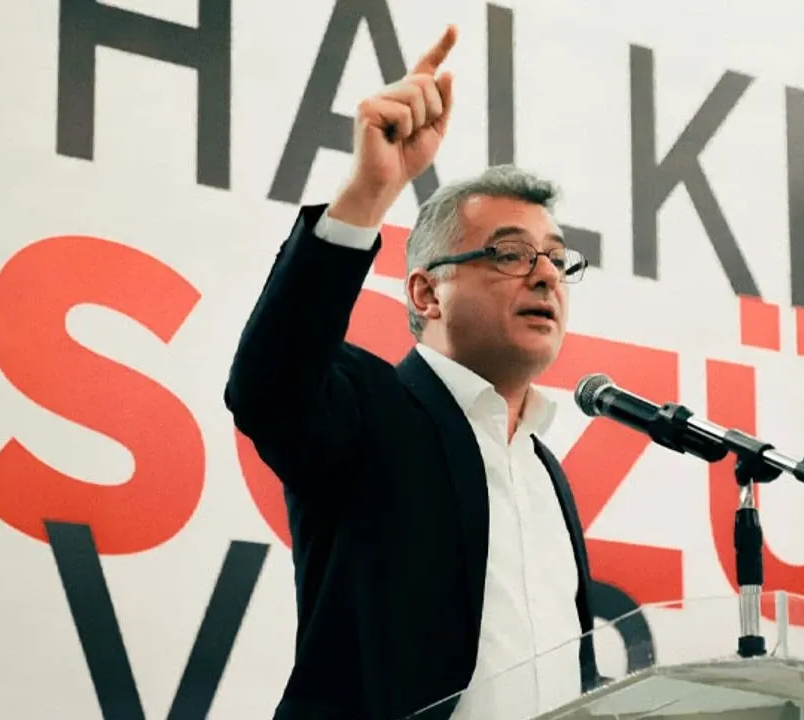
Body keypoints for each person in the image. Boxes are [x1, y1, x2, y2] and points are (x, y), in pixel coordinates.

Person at [224, 24, 601, 720]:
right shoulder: (368, 409)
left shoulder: (545, 469)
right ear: (427, 294)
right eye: (511, 254)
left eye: (556, 258)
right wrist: (369, 193)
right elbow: (270, 386)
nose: (546, 275)